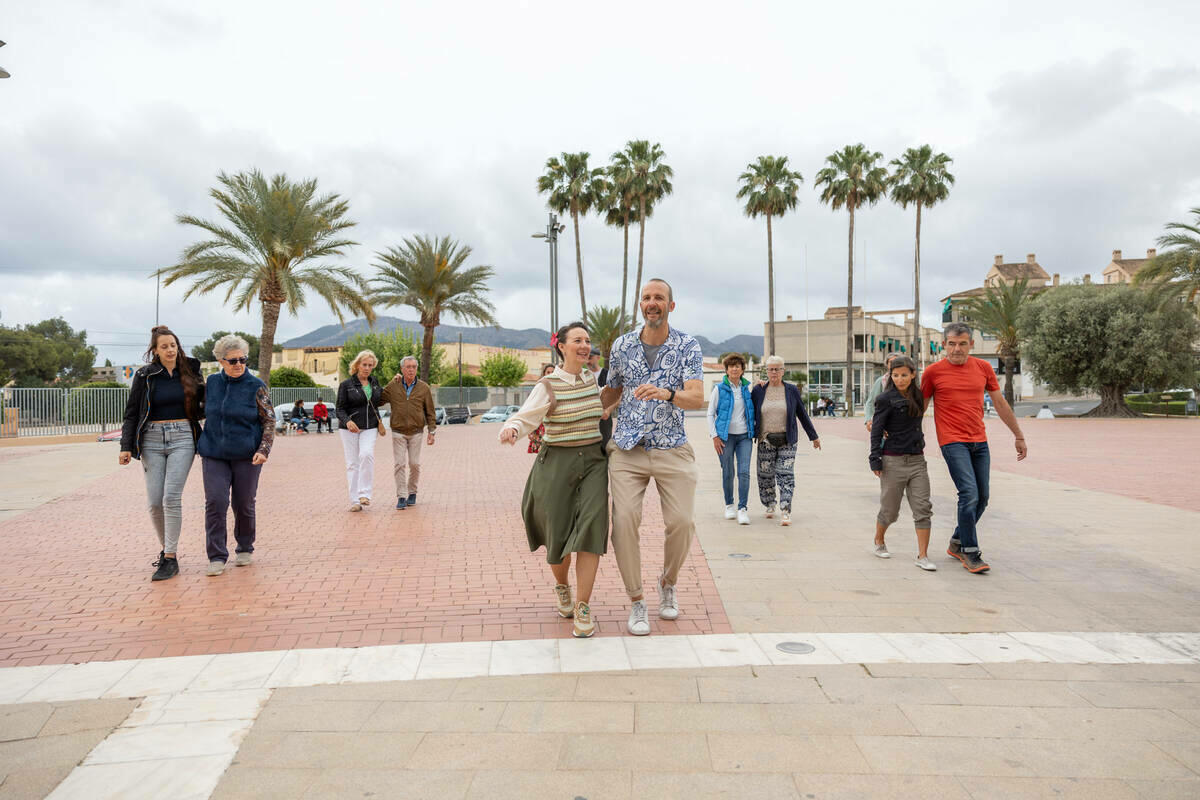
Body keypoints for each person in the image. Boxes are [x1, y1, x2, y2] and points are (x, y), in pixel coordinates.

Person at [600, 279, 705, 636]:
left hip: (672, 446)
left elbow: (697, 398)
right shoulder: (622, 345)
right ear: (640, 306)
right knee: (625, 520)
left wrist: (666, 393)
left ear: (670, 306)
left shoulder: (688, 346)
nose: (652, 303)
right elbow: (612, 389)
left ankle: (668, 581)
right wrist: (572, 403)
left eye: (659, 298)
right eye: (646, 298)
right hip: (628, 449)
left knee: (682, 522)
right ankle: (637, 600)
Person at [500, 322, 608, 638]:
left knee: (591, 529)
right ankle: (562, 586)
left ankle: (584, 606)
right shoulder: (548, 385)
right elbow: (525, 417)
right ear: (561, 346)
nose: (585, 345)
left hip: (592, 464)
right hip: (556, 462)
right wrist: (511, 430)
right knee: (558, 534)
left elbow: (606, 404)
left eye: (588, 340)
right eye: (578, 340)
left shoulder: (593, 380)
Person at [922, 323, 1028, 573]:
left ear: (971, 344)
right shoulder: (933, 372)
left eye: (962, 343)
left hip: (979, 441)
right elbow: (921, 406)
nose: (956, 349)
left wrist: (1018, 435)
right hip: (952, 440)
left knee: (983, 497)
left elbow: (1000, 403)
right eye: (951, 343)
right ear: (944, 345)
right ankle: (971, 552)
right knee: (969, 493)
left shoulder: (982, 368)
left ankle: (957, 541)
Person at [118, 326, 205, 581]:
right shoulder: (145, 375)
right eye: (164, 346)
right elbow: (132, 411)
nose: (170, 350)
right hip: (151, 440)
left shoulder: (190, 371)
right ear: (155, 350)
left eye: (173, 345)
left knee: (171, 497)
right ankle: (167, 549)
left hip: (182, 437)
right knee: (155, 502)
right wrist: (125, 446)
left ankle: (170, 558)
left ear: (178, 347)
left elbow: (205, 404)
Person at [198, 335, 274, 576]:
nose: (239, 364)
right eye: (233, 361)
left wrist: (263, 450)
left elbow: (270, 420)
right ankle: (217, 555)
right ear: (221, 361)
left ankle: (244, 547)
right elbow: (196, 410)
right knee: (215, 502)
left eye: (243, 359)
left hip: (247, 455)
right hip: (214, 453)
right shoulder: (211, 383)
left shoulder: (256, 385)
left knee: (243, 503)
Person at [869, 356, 936, 571]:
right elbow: (877, 430)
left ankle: (923, 556)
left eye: (904, 375)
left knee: (923, 508)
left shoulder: (919, 395)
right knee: (890, 510)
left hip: (917, 460)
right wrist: (875, 459)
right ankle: (879, 540)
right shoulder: (884, 398)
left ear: (913, 375)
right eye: (896, 375)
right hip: (892, 460)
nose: (900, 379)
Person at [751, 356, 821, 526]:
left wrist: (814, 436)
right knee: (765, 475)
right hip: (765, 439)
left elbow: (802, 414)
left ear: (783, 371)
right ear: (766, 371)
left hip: (787, 440)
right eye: (770, 369)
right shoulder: (758, 390)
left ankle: (785, 509)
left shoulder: (791, 390)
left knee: (785, 474)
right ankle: (770, 503)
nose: (774, 372)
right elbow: (748, 408)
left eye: (777, 369)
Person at [380, 355, 437, 510]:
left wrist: (432, 431)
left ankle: (412, 491)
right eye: (408, 367)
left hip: (416, 432)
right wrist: (391, 382)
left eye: (413, 367)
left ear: (416, 368)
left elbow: (430, 411)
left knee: (415, 464)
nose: (411, 370)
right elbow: (379, 400)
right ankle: (401, 496)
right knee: (399, 464)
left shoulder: (424, 387)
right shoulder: (394, 385)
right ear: (402, 369)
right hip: (398, 431)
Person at [706, 353, 755, 525]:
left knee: (744, 472)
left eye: (738, 366)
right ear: (726, 370)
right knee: (728, 472)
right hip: (725, 438)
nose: (734, 368)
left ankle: (743, 509)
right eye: (731, 366)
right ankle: (729, 505)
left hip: (744, 437)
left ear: (742, 369)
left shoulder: (747, 389)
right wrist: (714, 436)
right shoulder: (719, 389)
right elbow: (710, 413)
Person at [336, 350, 386, 512]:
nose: (367, 368)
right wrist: (348, 421)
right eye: (364, 364)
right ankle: (354, 501)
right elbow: (339, 409)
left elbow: (382, 398)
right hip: (349, 429)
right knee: (352, 463)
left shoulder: (375, 382)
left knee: (366, 454)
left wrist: (396, 381)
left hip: (370, 426)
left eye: (370, 365)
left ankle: (364, 494)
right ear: (357, 365)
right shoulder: (346, 385)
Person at [864, 352, 901, 432]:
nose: (894, 364)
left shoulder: (907, 381)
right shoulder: (881, 381)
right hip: (884, 422)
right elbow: (871, 402)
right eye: (891, 362)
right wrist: (868, 419)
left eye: (897, 361)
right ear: (887, 365)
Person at [527, 363, 555, 454]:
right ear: (544, 373)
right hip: (542, 421)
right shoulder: (540, 386)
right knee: (542, 450)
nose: (550, 374)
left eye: (553, 372)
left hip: (555, 421)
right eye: (548, 372)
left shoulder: (561, 385)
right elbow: (533, 406)